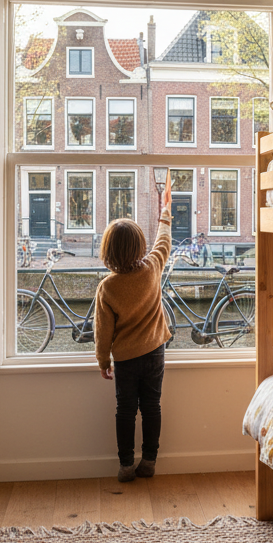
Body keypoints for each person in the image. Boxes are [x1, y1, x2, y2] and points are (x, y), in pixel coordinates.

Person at [95, 187, 173, 482]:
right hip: (155, 352)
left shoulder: (109, 287)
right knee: (152, 406)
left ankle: (126, 465)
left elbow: (103, 331)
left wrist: (103, 361)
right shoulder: (152, 268)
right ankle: (150, 460)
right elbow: (163, 242)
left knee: (125, 410)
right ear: (141, 246)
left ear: (108, 251)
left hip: (126, 359)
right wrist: (165, 214)